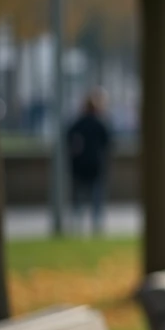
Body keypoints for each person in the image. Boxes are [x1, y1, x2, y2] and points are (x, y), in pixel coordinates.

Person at [67, 87, 113, 234]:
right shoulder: (100, 124)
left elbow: (68, 137)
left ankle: (77, 219)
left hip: (80, 164)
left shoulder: (78, 123)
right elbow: (108, 142)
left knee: (79, 194)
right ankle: (96, 221)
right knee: (96, 195)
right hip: (95, 164)